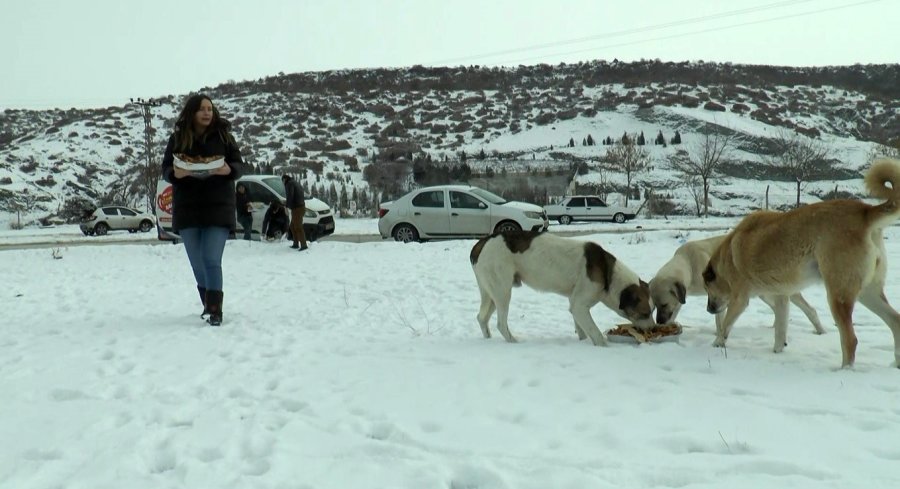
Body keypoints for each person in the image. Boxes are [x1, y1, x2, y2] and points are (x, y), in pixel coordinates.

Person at [160, 94, 244, 326]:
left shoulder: (224, 137)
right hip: (188, 208)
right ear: (192, 113)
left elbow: (239, 165)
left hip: (218, 207)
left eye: (210, 108)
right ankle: (207, 302)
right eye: (202, 109)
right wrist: (175, 174)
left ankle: (215, 310)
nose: (207, 113)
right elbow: (166, 168)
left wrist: (228, 170)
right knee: (197, 262)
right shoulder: (177, 139)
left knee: (210, 258)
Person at [282, 174, 308, 251]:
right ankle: (296, 243)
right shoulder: (295, 182)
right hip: (301, 206)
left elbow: (290, 196)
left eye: (282, 181)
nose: (283, 183)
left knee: (298, 227)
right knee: (293, 226)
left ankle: (304, 245)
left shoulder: (289, 184)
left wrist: (286, 206)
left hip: (297, 208)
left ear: (284, 179)